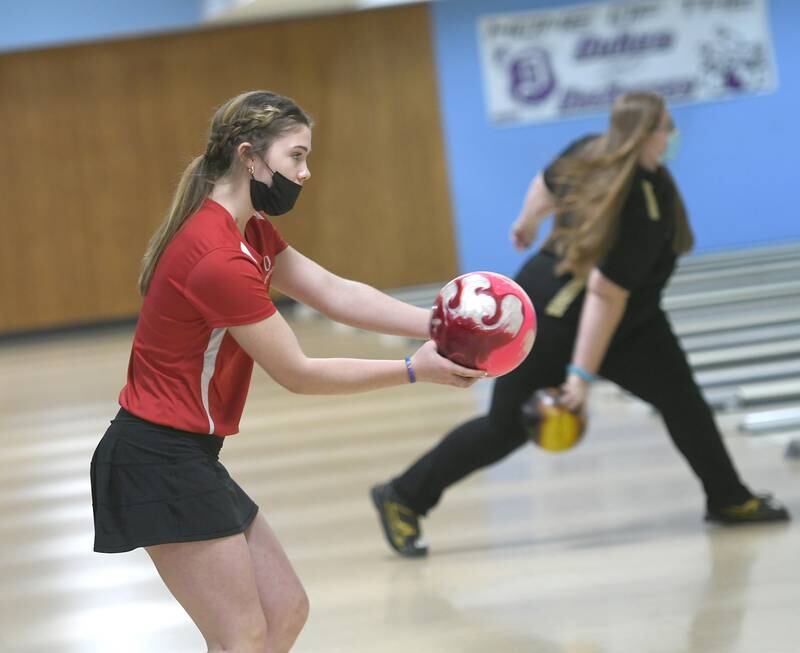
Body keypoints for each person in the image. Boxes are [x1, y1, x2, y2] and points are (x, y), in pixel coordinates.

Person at [90, 90, 485, 653]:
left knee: (284, 612)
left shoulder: (248, 232)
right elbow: (297, 372)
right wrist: (412, 371)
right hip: (155, 459)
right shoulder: (215, 258)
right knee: (242, 636)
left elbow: (332, 290)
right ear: (250, 158)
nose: (305, 172)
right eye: (296, 156)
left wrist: (437, 325)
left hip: (186, 455)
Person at [370, 91, 790, 558]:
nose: (672, 136)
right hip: (557, 319)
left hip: (634, 320)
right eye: (666, 128)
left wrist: (527, 223)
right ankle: (402, 496)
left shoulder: (603, 155)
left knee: (683, 402)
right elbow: (603, 294)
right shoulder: (637, 204)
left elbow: (545, 186)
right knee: (504, 428)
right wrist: (581, 378)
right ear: (644, 134)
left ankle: (729, 498)